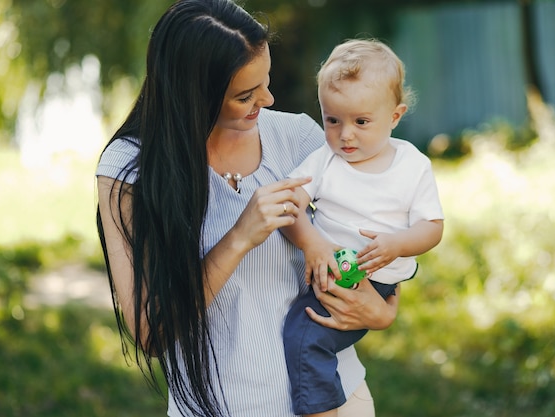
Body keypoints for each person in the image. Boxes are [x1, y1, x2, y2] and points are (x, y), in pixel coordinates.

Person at [95, 2, 400, 416]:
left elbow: (379, 224)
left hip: (335, 401)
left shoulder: (298, 138)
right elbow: (151, 334)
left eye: (266, 82)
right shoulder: (131, 168)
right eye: (245, 96)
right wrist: (240, 236)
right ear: (192, 95)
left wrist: (380, 311)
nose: (268, 99)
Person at [281, 39, 445, 417]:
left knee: (305, 336)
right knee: (306, 330)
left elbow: (432, 226)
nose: (345, 135)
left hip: (373, 276)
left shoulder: (412, 165)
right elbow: (290, 206)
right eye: (332, 120)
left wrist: (398, 244)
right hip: (330, 266)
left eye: (361, 122)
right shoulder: (325, 160)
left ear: (395, 116)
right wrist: (312, 243)